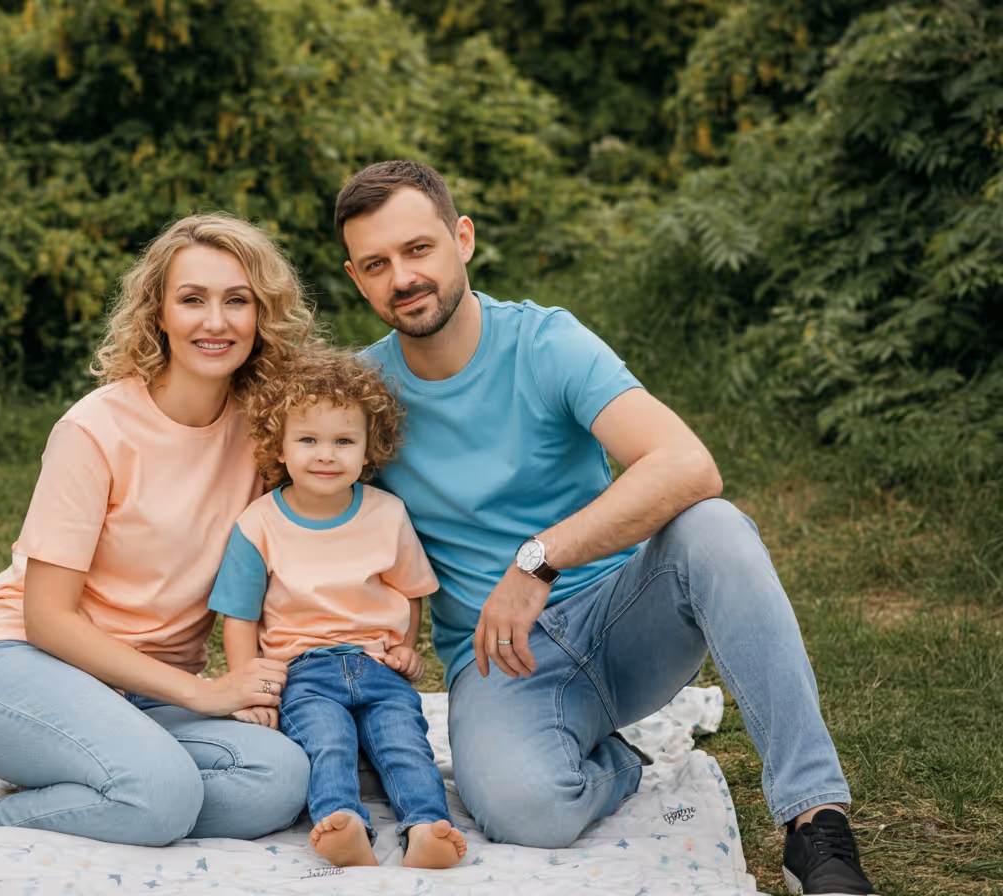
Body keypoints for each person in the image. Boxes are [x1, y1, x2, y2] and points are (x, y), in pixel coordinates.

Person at [332, 160, 881, 896]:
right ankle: (613, 760)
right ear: (356, 278)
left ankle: (815, 822)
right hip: (498, 662)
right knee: (527, 808)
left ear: (462, 239)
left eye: (418, 249)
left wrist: (539, 560)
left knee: (715, 528)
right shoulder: (362, 392)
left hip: (624, 617)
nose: (402, 276)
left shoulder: (546, 342)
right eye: (377, 264)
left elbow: (688, 464)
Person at [0, 214, 314, 846]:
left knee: (282, 776)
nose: (216, 321)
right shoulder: (95, 430)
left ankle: (111, 789)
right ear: (158, 313)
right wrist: (203, 694)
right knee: (161, 794)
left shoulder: (266, 432)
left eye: (238, 300)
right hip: (21, 664)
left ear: (263, 315)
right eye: (192, 300)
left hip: (145, 692)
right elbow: (47, 618)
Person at [207, 348, 468, 870]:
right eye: (308, 440)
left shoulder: (386, 514)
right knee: (326, 742)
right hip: (304, 671)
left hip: (376, 665)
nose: (326, 455)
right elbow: (239, 615)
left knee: (404, 742)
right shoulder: (258, 525)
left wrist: (403, 648)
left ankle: (426, 827)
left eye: (343, 441)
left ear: (369, 450)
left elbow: (410, 589)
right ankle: (342, 822)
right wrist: (249, 684)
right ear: (278, 446)